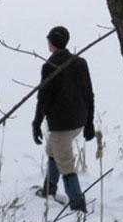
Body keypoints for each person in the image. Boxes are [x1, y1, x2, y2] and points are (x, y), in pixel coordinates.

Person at [31, 26, 95, 212]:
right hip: (78, 120)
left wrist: (36, 123)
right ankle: (49, 188)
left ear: (52, 43)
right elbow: (89, 93)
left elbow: (43, 99)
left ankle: (77, 203)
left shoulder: (50, 66)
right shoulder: (80, 62)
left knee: (65, 162)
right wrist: (89, 123)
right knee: (53, 150)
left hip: (61, 125)